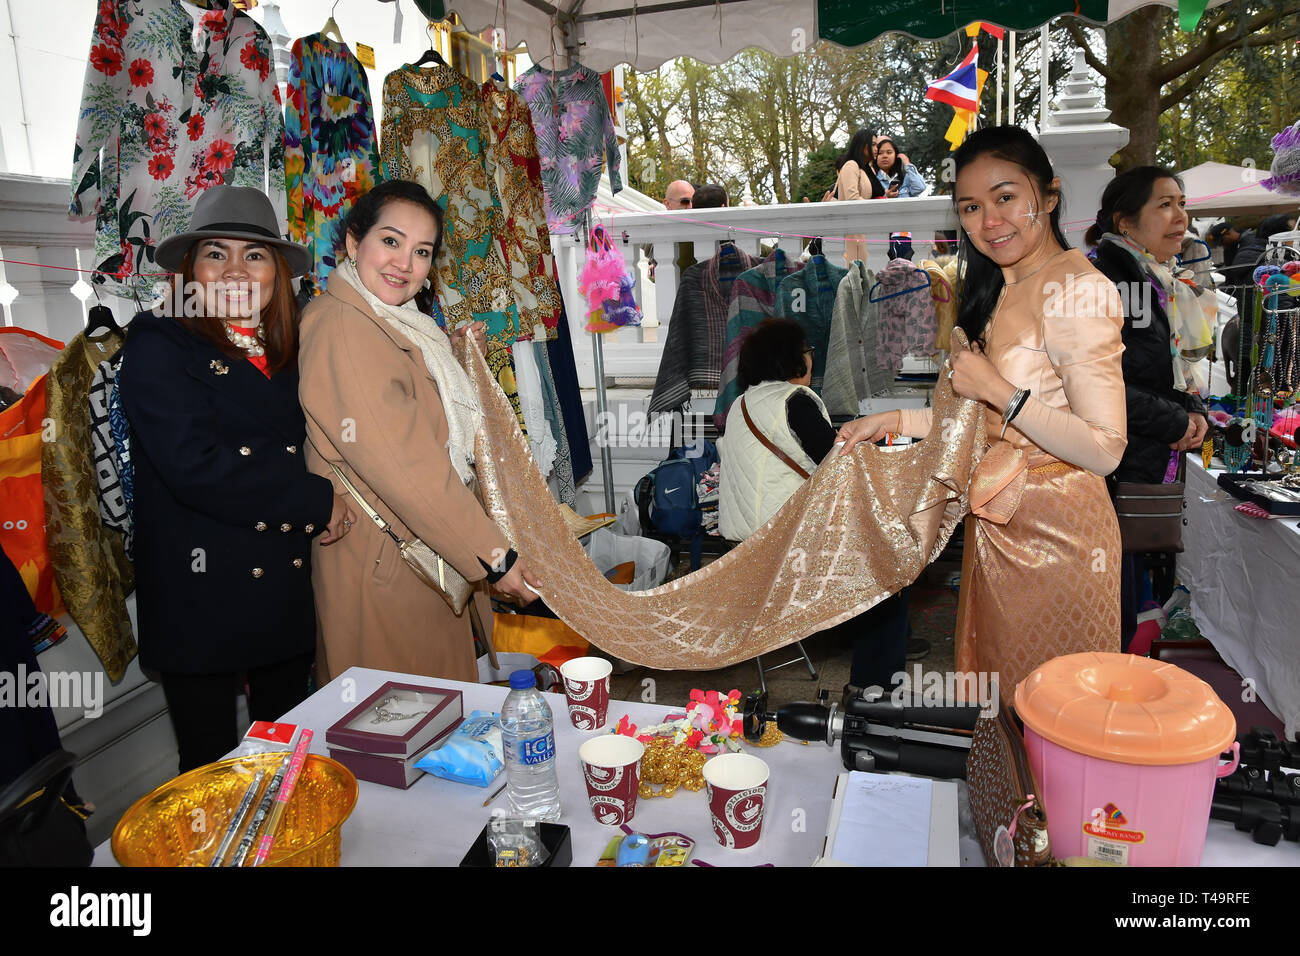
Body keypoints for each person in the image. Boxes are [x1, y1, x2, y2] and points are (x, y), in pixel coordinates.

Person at [837, 125, 1128, 706]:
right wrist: (892, 420)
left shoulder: (1076, 289)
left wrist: (999, 389)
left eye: (1005, 197)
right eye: (971, 206)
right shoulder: (1000, 286)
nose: (989, 220)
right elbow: (977, 422)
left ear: (1046, 196)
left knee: (1050, 711)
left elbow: (1105, 448)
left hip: (1060, 536)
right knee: (995, 694)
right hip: (1000, 523)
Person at [118, 186, 355, 772]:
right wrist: (319, 500)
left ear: (277, 272)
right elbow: (197, 467)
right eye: (215, 254)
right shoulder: (156, 342)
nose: (234, 271)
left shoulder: (290, 347)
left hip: (280, 589)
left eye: (254, 255)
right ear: (190, 269)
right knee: (210, 773)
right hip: (197, 595)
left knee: (287, 761)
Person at [298, 179, 540, 684]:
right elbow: (408, 466)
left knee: (429, 729)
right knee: (396, 734)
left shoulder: (395, 322)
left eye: (422, 251)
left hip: (412, 556)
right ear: (351, 243)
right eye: (390, 241)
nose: (404, 264)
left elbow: (406, 411)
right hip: (387, 566)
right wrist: (497, 559)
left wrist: (447, 356)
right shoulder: (344, 327)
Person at [718, 319, 909, 690]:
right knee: (889, 580)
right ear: (792, 358)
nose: (810, 358)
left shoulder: (742, 404)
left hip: (743, 548)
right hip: (782, 554)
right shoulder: (795, 400)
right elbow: (838, 462)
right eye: (808, 351)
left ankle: (851, 636)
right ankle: (873, 698)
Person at [1088, 167, 1212, 651]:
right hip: (1111, 466)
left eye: (1181, 203)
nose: (1180, 216)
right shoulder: (1109, 282)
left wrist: (1192, 408)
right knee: (1108, 604)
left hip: (1136, 456)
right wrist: (1177, 420)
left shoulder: (1153, 279)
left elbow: (1155, 370)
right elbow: (1101, 383)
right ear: (1125, 221)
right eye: (1164, 204)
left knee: (1128, 591)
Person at [833, 129, 884, 265]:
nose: (876, 149)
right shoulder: (851, 166)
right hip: (854, 233)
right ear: (862, 145)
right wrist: (878, 207)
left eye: (877, 145)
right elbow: (852, 199)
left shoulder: (867, 169)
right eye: (872, 144)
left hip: (866, 230)